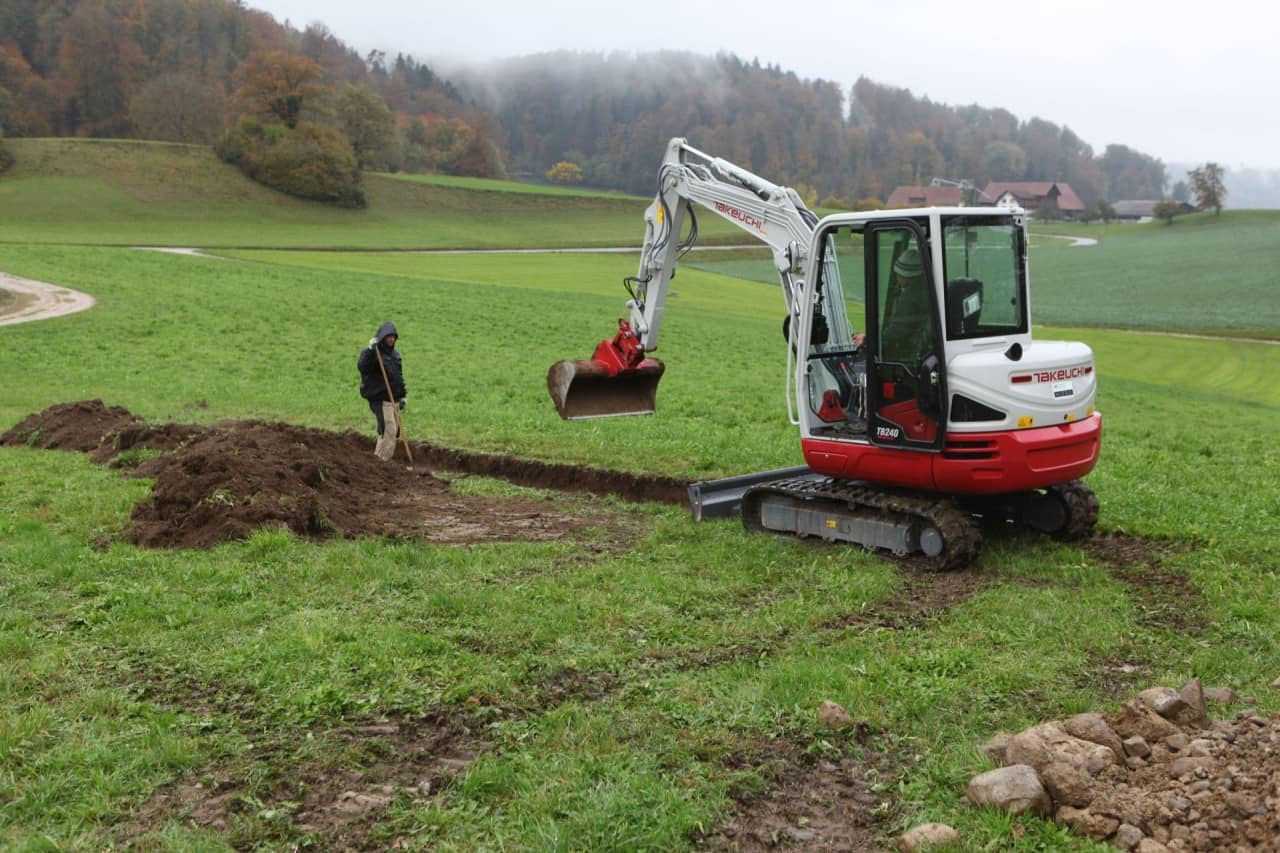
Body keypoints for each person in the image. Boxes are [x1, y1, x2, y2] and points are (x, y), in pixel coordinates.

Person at [357, 321, 407, 462]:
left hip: (393, 399)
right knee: (388, 429)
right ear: (382, 337)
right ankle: (382, 462)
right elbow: (363, 367)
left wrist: (402, 396)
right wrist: (369, 350)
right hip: (380, 398)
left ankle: (378, 461)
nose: (391, 339)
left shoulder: (395, 355)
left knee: (393, 431)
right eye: (388, 336)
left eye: (393, 336)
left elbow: (398, 377)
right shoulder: (375, 353)